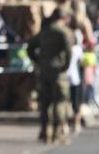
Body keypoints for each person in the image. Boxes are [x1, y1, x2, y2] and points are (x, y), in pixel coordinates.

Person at [27, 8, 74, 144]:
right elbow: (68, 51)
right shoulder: (64, 32)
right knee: (60, 101)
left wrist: (38, 60)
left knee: (45, 102)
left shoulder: (45, 31)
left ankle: (44, 132)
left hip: (44, 71)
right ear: (64, 18)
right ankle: (57, 133)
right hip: (58, 72)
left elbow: (30, 47)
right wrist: (65, 65)